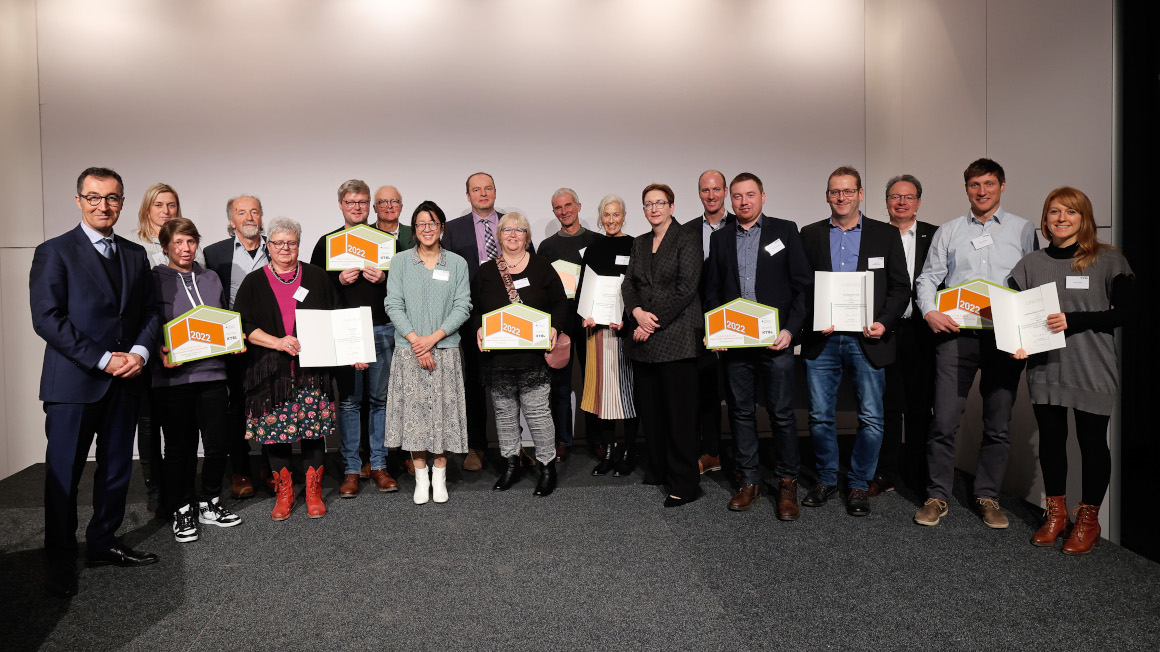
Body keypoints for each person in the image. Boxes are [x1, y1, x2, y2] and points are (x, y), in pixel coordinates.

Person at [32, 167, 160, 597]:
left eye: (112, 198)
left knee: (117, 470)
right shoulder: (54, 251)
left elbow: (149, 313)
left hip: (125, 382)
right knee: (64, 474)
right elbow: (47, 319)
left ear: (123, 203)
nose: (103, 206)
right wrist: (104, 359)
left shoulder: (134, 254)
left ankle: (103, 542)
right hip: (73, 384)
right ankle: (61, 556)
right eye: (94, 197)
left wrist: (140, 353)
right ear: (78, 200)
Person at [914, 158, 1038, 529]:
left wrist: (1029, 333)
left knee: (998, 423)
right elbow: (927, 279)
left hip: (1004, 338)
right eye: (974, 185)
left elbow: (1033, 283)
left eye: (988, 184)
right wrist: (928, 311)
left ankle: (988, 496)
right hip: (956, 336)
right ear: (965, 188)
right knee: (944, 422)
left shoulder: (1023, 229)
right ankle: (937, 496)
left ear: (1002, 185)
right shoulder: (950, 231)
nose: (981, 192)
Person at [1010, 187, 1134, 555]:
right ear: (1045, 220)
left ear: (1084, 218)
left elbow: (1128, 313)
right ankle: (1056, 514)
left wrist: (1073, 320)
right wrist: (1014, 340)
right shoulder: (1030, 263)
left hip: (1092, 367)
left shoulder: (1108, 259)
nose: (1061, 218)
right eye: (1053, 212)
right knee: (1050, 441)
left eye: (1070, 212)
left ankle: (1088, 520)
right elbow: (1012, 312)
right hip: (1045, 367)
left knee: (1092, 443)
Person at [799, 166, 910, 517]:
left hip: (869, 340)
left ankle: (860, 483)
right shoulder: (810, 234)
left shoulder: (885, 234)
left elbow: (900, 287)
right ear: (827, 195)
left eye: (848, 191)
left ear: (861, 194)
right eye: (835, 192)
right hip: (824, 339)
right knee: (819, 415)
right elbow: (802, 288)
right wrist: (812, 320)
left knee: (872, 417)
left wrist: (884, 322)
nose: (841, 197)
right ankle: (827, 478)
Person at [703, 173, 812, 518]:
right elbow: (713, 291)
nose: (744, 202)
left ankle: (787, 483)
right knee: (740, 413)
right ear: (730, 201)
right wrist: (714, 330)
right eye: (737, 196)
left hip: (776, 344)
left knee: (781, 414)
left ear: (763, 197)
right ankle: (748, 481)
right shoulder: (720, 239)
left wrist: (791, 331)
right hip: (736, 343)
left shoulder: (785, 230)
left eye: (750, 195)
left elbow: (802, 288)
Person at [234, 217, 351, 520]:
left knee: (313, 432)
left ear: (299, 244)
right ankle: (284, 493)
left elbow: (337, 318)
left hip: (312, 369)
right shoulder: (253, 282)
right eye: (278, 243)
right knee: (276, 434)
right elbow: (243, 325)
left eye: (292, 242)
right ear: (268, 246)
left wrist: (353, 351)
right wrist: (277, 342)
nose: (285, 248)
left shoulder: (317, 276)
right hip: (271, 372)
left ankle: (313, 492)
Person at [151, 217, 242, 542]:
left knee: (218, 444)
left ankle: (210, 501)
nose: (185, 248)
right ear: (166, 247)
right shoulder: (155, 279)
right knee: (179, 449)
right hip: (173, 379)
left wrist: (233, 340)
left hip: (213, 374)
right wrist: (154, 347)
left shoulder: (211, 278)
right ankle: (182, 508)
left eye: (190, 241)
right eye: (178, 242)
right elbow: (148, 323)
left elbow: (223, 318)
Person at [309, 179, 398, 497]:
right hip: (344, 330)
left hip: (382, 329)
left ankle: (377, 465)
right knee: (347, 403)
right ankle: (350, 470)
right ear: (341, 205)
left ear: (369, 204)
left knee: (379, 401)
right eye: (351, 202)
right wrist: (338, 281)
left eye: (362, 202)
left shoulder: (386, 242)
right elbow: (313, 293)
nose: (357, 207)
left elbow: (404, 289)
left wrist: (386, 278)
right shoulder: (327, 243)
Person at [472, 212, 568, 496]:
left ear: (527, 236)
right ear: (498, 236)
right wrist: (479, 328)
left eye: (519, 230)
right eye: (507, 230)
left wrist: (555, 328)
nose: (513, 235)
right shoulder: (487, 271)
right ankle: (511, 464)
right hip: (498, 358)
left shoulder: (542, 267)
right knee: (504, 413)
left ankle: (547, 467)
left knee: (538, 413)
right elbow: (475, 307)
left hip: (533, 357)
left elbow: (561, 304)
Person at [384, 201, 472, 504]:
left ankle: (440, 475)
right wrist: (415, 341)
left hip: (444, 350)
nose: (427, 229)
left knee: (443, 415)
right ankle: (420, 476)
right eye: (421, 223)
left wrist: (432, 338)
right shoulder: (400, 262)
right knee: (415, 416)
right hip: (409, 352)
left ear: (442, 227)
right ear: (414, 229)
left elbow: (464, 305)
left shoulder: (457, 264)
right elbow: (393, 304)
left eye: (433, 223)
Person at [622, 183, 702, 507]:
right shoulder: (640, 243)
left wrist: (649, 322)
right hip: (645, 340)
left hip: (677, 338)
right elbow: (629, 284)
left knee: (679, 417)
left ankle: (684, 483)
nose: (654, 209)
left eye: (660, 203)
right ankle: (658, 470)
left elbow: (686, 289)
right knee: (652, 413)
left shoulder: (687, 239)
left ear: (671, 206)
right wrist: (637, 313)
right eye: (648, 204)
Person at [443, 172, 528, 471]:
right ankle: (475, 445)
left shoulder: (513, 225)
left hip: (511, 315)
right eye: (476, 190)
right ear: (467, 196)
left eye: (488, 188)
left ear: (495, 191)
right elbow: (446, 275)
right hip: (470, 316)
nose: (482, 194)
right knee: (475, 381)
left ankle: (515, 448)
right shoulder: (452, 230)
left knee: (513, 380)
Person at [128, 183, 204, 515]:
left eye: (172, 204)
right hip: (149, 349)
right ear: (147, 211)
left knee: (181, 424)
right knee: (149, 425)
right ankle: (155, 491)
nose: (166, 211)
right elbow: (138, 308)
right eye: (159, 205)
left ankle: (182, 488)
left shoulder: (190, 249)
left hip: (184, 350)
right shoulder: (136, 251)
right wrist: (154, 345)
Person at [875, 175, 938, 495]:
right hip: (884, 331)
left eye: (909, 197)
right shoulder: (874, 235)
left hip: (922, 332)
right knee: (886, 406)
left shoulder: (936, 236)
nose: (901, 202)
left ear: (918, 201)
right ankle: (884, 472)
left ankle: (915, 473)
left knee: (920, 406)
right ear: (886, 201)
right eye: (895, 197)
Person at [203, 195, 270, 498]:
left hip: (272, 343)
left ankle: (273, 469)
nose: (249, 217)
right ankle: (241, 471)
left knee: (272, 405)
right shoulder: (213, 254)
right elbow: (208, 300)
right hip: (234, 345)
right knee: (237, 409)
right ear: (231, 221)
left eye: (254, 211)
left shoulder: (278, 247)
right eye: (241, 213)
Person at [578, 194, 639, 476]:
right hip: (597, 333)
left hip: (625, 332)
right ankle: (609, 451)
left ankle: (628, 451)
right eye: (606, 215)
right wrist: (585, 315)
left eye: (616, 214)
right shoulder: (592, 248)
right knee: (603, 395)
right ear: (600, 217)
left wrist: (626, 321)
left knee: (626, 394)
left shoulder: (635, 245)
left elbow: (640, 288)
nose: (611, 220)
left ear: (624, 216)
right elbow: (584, 289)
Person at [538, 187, 599, 462]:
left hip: (590, 321)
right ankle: (562, 440)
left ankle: (598, 439)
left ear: (578, 206)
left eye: (568, 205)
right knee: (560, 385)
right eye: (558, 208)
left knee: (593, 381)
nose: (564, 211)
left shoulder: (596, 241)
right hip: (560, 322)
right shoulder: (547, 246)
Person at [681, 169, 735, 475]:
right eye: (705, 190)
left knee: (740, 394)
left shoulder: (741, 226)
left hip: (738, 324)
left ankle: (744, 460)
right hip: (699, 325)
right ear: (699, 193)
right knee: (705, 393)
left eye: (716, 189)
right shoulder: (687, 231)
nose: (711, 195)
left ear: (725, 191)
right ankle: (711, 451)